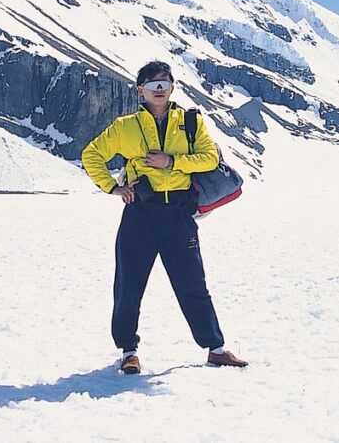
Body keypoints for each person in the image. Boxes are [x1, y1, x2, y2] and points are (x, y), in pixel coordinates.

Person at [81, 60, 248, 374]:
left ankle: (216, 348)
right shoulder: (124, 127)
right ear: (140, 89)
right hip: (140, 215)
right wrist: (113, 188)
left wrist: (172, 162)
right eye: (153, 83)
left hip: (178, 214)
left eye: (165, 82)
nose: (160, 88)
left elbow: (210, 157)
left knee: (193, 284)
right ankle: (128, 351)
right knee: (129, 285)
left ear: (172, 88)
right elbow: (91, 155)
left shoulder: (190, 122)